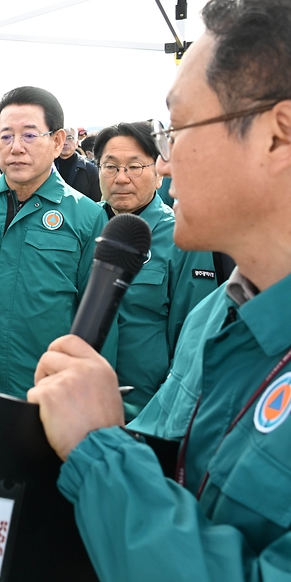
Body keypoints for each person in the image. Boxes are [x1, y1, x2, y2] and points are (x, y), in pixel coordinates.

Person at [0, 0, 291, 581]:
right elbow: (172, 492)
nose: (164, 162)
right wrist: (7, 533)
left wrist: (97, 451)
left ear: (279, 136)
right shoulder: (225, 314)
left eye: (177, 130)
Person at [0, 86, 111, 447]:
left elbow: (102, 319)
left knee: (40, 500)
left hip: (50, 397)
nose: (15, 147)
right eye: (5, 137)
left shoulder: (86, 217)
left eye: (28, 135)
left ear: (56, 141)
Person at [93, 121, 217, 419]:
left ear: (159, 174)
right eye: (110, 167)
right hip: (82, 398)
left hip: (148, 407)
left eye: (134, 167)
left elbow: (193, 333)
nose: (121, 178)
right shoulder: (86, 227)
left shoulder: (181, 237)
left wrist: (171, 408)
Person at [54, 126, 101, 201]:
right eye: (62, 138)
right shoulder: (47, 167)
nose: (65, 142)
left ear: (77, 143)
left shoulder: (89, 169)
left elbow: (96, 202)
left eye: (69, 138)